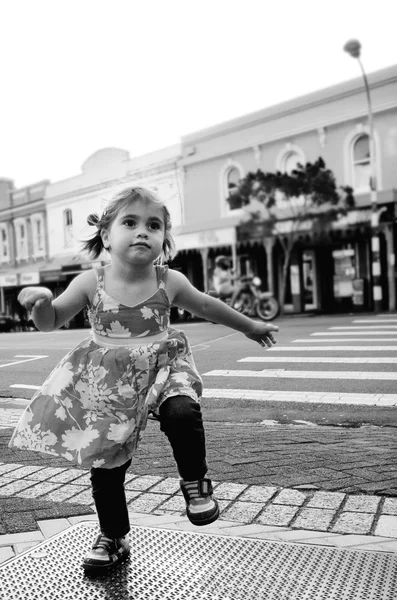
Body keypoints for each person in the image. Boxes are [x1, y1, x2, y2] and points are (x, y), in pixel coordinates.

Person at [11, 186, 278, 573]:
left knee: (182, 412)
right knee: (107, 464)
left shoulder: (169, 281)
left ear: (163, 240)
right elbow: (51, 320)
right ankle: (113, 536)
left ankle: (195, 483)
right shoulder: (91, 282)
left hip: (164, 366)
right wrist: (39, 304)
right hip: (109, 381)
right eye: (130, 222)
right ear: (106, 236)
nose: (142, 232)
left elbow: (207, 305)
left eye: (154, 225)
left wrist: (249, 325)